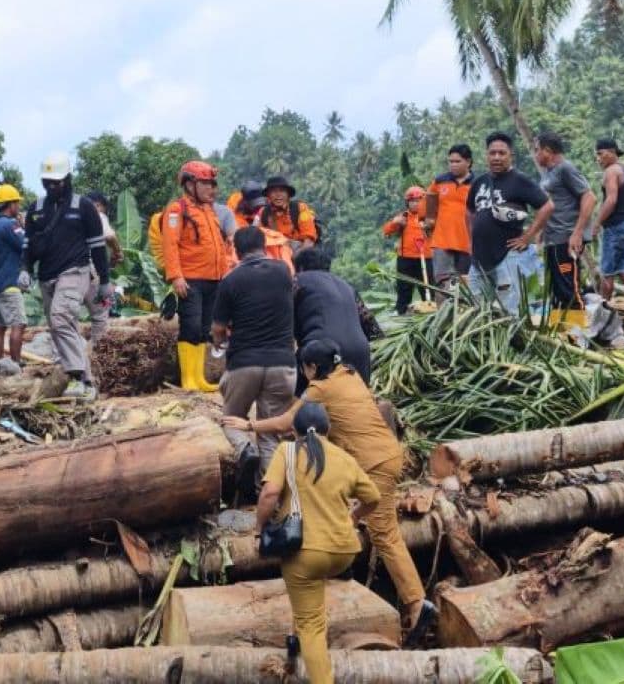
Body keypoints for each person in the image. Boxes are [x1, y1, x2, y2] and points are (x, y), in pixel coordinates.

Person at [223, 339, 437, 647]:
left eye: (304, 368)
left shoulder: (319, 389)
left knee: (384, 534)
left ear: (312, 367)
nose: (303, 373)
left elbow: (287, 423)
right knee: (353, 519)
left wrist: (249, 424)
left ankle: (417, 604)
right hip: (386, 454)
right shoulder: (350, 374)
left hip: (373, 462)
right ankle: (348, 575)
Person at [256, 404, 380, 684]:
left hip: (306, 553)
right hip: (344, 552)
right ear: (328, 430)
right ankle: (295, 640)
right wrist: (354, 516)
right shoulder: (344, 458)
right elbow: (373, 496)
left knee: (312, 622)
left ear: (293, 430)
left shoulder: (286, 451)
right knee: (309, 599)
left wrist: (258, 528)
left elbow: (270, 493)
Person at [212, 226, 297, 495]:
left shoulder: (230, 280)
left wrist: (218, 342)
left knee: (231, 419)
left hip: (244, 362)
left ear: (236, 250)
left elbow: (218, 328)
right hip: (283, 363)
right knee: (270, 432)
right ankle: (270, 495)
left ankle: (245, 449)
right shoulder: (283, 272)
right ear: (264, 245)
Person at [22, 151, 111, 399]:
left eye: (56, 182)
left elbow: (97, 246)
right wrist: (25, 270)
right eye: (47, 182)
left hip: (76, 270)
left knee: (61, 317)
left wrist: (104, 281)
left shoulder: (83, 207)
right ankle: (88, 383)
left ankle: (74, 377)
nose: (51, 186)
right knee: (61, 327)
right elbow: (28, 245)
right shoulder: (36, 209)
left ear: (68, 179)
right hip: (47, 276)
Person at [466, 132, 553, 313]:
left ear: (510, 155)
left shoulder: (519, 181)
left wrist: (527, 237)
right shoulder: (479, 182)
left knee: (509, 313)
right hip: (479, 259)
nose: (496, 157)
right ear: (486, 155)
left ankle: (511, 341)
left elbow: (547, 206)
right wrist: (470, 240)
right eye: (492, 153)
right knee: (476, 312)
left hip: (507, 256)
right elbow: (469, 211)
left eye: (502, 153)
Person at [161, 161, 230, 391]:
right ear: (190, 184)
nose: (213, 189)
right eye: (206, 184)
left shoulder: (208, 210)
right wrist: (176, 276)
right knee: (189, 327)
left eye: (213, 184)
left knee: (203, 329)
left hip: (213, 278)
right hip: (190, 280)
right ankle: (188, 379)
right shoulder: (176, 209)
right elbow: (170, 245)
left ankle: (199, 378)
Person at [292, 247, 371, 388]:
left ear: (300, 267)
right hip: (360, 353)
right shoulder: (347, 285)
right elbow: (370, 326)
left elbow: (284, 315)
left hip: (322, 351)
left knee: (306, 402)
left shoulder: (298, 280)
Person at [533, 132, 595, 309]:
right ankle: (562, 332)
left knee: (569, 288)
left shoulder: (565, 168)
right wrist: (542, 231)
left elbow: (589, 197)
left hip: (566, 238)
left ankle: (579, 331)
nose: (536, 154)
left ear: (548, 150)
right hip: (553, 239)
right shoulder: (548, 173)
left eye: (537, 150)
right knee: (558, 289)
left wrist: (577, 233)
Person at [589, 139, 624, 297]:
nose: (598, 158)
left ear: (612, 152)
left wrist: (597, 223)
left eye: (600, 153)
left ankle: (604, 311)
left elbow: (611, 200)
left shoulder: (611, 171)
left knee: (607, 273)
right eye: (596, 155)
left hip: (616, 227)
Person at [0, 184, 28, 363]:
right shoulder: (10, 225)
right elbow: (26, 245)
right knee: (19, 324)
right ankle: (15, 365)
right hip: (9, 283)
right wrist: (24, 226)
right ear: (11, 204)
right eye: (17, 202)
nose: (19, 206)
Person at [426, 143, 475, 288]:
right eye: (451, 162)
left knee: (466, 283)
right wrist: (430, 218)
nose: (453, 165)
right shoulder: (440, 181)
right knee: (441, 282)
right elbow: (430, 195)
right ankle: (443, 310)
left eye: (457, 161)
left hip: (467, 241)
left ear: (468, 162)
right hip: (442, 239)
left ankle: (467, 310)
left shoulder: (477, 183)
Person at [382, 186, 434, 314]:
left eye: (419, 200)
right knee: (404, 288)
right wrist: (395, 223)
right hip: (406, 259)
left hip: (426, 258)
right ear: (408, 203)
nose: (416, 204)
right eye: (413, 201)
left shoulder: (430, 217)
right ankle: (401, 311)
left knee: (428, 288)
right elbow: (386, 231)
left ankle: (430, 311)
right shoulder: (403, 216)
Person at [85, 192, 125, 337]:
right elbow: (109, 235)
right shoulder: (97, 215)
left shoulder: (70, 217)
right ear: (97, 205)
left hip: (63, 273)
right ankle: (98, 349)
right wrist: (118, 251)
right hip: (86, 271)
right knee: (101, 313)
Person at [259, 176, 318, 249]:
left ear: (288, 194)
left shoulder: (300, 208)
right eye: (273, 191)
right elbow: (260, 240)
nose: (278, 195)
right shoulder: (264, 213)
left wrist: (295, 258)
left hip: (301, 252)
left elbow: (309, 241)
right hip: (276, 255)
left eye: (282, 191)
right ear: (268, 195)